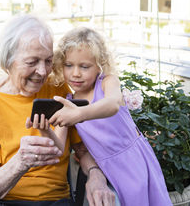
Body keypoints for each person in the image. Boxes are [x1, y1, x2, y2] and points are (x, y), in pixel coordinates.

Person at [0, 15, 115, 206]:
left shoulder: (58, 91)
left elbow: (82, 149)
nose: (43, 71)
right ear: (8, 61)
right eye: (32, 62)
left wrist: (97, 177)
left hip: (50, 199)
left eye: (48, 61)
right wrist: (22, 161)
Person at [31, 27, 172, 206]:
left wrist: (79, 113)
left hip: (133, 161)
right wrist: (45, 131)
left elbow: (112, 104)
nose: (75, 73)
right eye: (68, 65)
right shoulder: (68, 103)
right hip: (106, 169)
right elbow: (59, 146)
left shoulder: (107, 83)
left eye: (84, 66)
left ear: (100, 64)